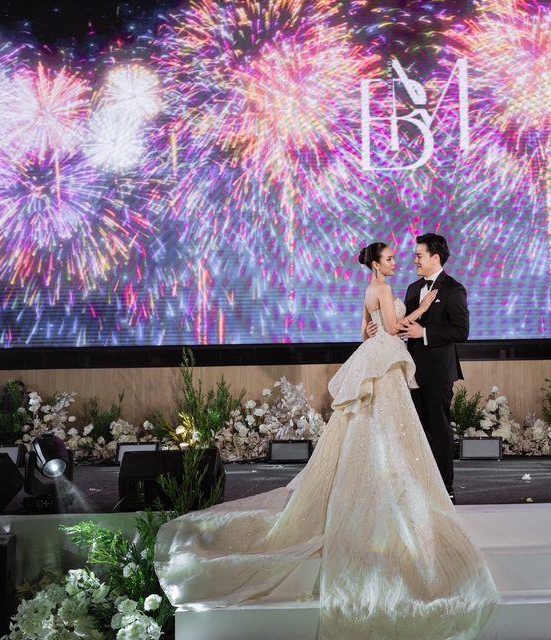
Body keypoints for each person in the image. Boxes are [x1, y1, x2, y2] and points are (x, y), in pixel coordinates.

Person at [154, 242, 498, 639]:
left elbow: (375, 329)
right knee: (392, 429)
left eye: (414, 254)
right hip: (387, 365)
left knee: (403, 430)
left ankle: (429, 485)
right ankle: (398, 486)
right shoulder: (396, 289)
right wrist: (418, 312)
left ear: (435, 256)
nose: (403, 260)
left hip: (405, 365)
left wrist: (387, 328)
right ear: (376, 264)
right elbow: (389, 328)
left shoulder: (420, 288)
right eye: (391, 258)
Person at [398, 232, 468, 503]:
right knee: (417, 431)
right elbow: (405, 324)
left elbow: (461, 331)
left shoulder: (453, 289)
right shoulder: (412, 289)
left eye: (419, 255)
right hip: (412, 371)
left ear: (435, 258)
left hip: (439, 372)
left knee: (439, 430)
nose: (415, 260)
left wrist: (424, 333)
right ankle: (421, 486)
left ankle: (445, 488)